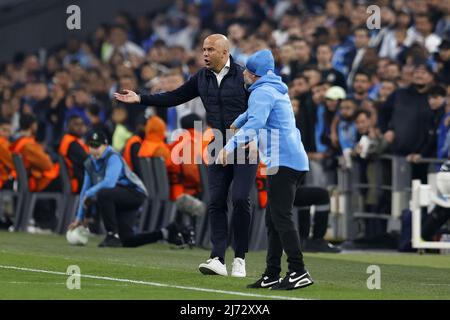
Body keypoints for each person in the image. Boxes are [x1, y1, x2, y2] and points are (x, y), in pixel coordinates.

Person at [114, 34, 258, 278]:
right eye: (203, 49)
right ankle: (217, 258)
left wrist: (255, 139)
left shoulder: (244, 76)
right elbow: (175, 96)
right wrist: (140, 98)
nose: (204, 54)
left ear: (225, 52)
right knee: (216, 201)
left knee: (241, 199)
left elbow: (259, 111)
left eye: (210, 49)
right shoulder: (202, 77)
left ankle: (240, 258)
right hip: (217, 144)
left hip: (244, 144)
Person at [218, 49, 313, 290]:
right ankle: (272, 272)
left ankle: (298, 270)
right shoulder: (274, 88)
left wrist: (229, 147)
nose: (244, 75)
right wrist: (238, 121)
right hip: (292, 159)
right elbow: (253, 115)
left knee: (280, 217)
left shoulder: (261, 92)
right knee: (273, 219)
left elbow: (257, 122)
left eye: (247, 72)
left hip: (283, 161)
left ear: (253, 73)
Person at [68, 130, 190, 247]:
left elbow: (109, 183)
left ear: (106, 145)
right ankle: (166, 232)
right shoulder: (90, 163)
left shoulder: (113, 157)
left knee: (103, 194)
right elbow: (85, 190)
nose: (94, 150)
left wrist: (90, 193)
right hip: (119, 195)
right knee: (127, 240)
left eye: (97, 146)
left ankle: (112, 235)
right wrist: (79, 218)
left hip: (135, 193)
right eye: (91, 146)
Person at [10, 114, 61, 230]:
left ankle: (50, 221)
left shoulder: (18, 141)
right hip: (34, 182)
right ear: (33, 125)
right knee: (62, 182)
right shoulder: (29, 144)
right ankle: (51, 222)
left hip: (25, 180)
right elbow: (47, 164)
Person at [58, 115, 89, 193]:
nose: (80, 127)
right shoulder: (72, 144)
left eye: (81, 124)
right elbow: (87, 162)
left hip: (77, 178)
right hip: (79, 181)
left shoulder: (69, 139)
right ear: (68, 126)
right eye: (76, 124)